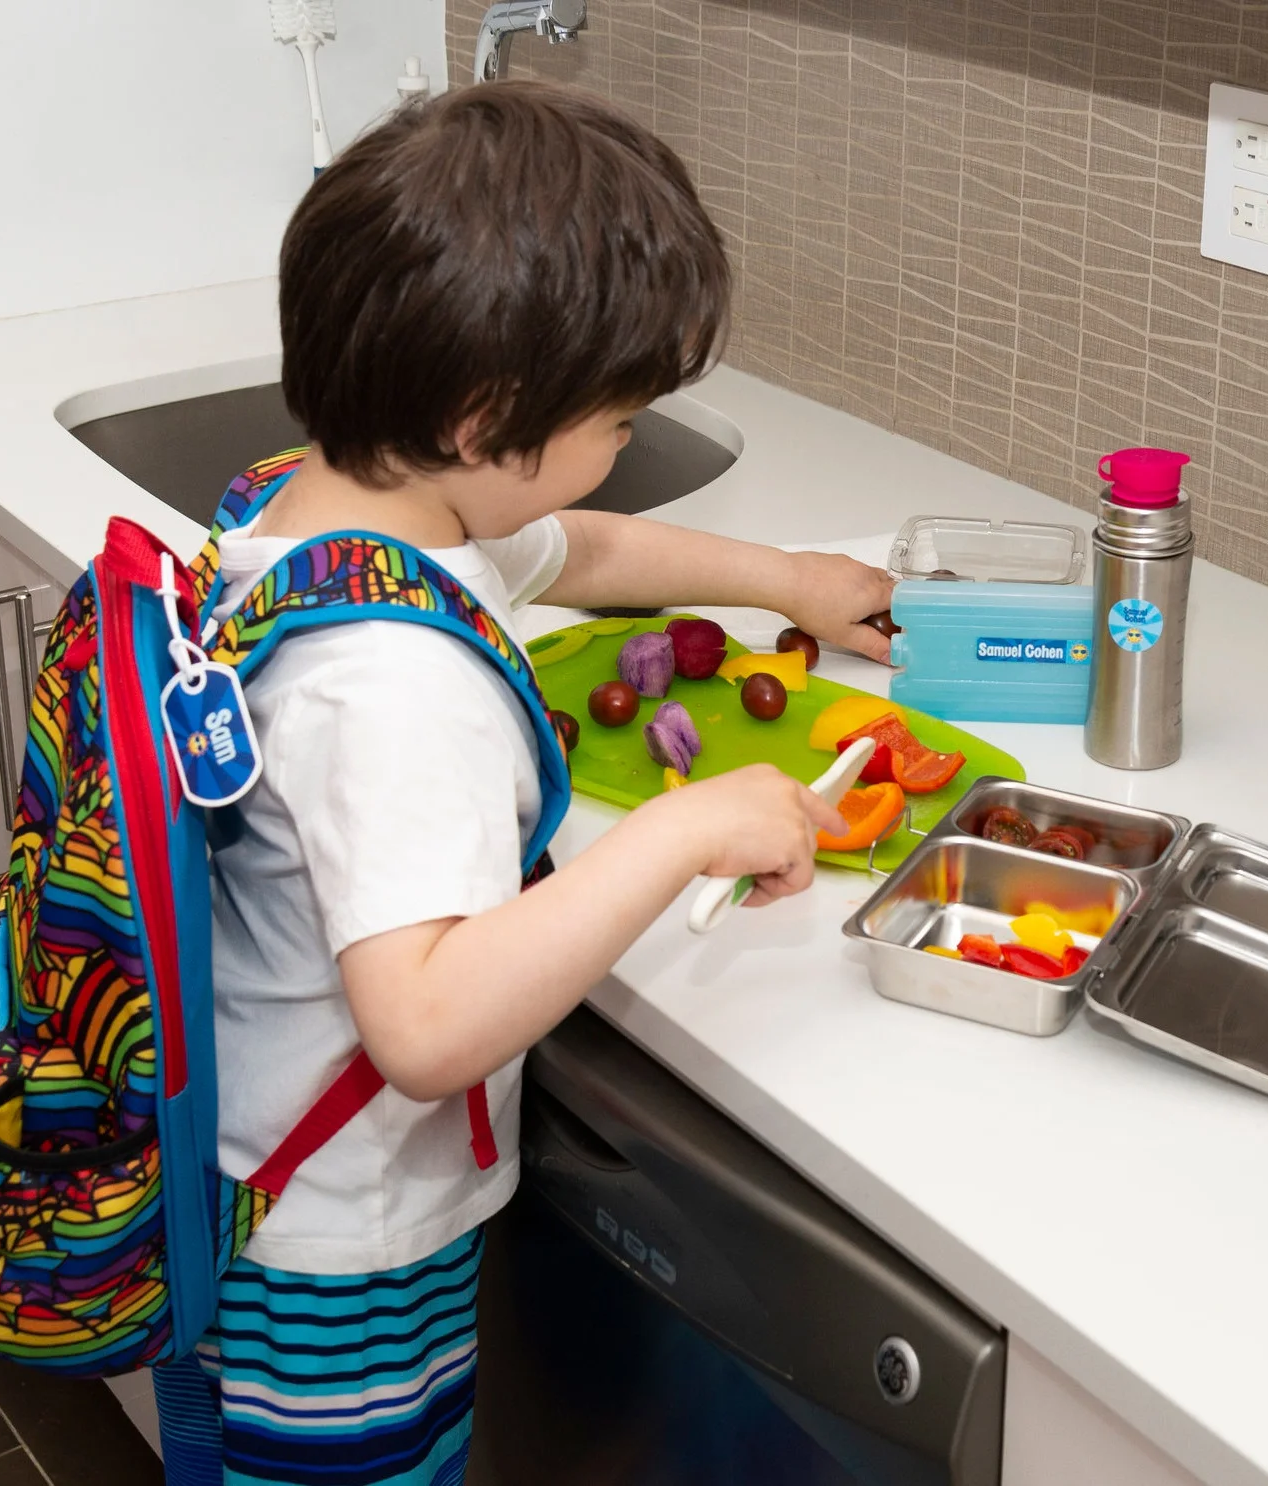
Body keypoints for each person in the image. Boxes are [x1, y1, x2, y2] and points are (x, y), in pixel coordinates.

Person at [193, 80, 890, 1485]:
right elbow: (429, 1022)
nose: (628, 440)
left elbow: (578, 549)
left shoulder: (319, 508)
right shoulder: (390, 686)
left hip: (269, 1182)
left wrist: (790, 579)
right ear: (481, 415)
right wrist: (690, 825)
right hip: (341, 1250)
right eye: (619, 415)